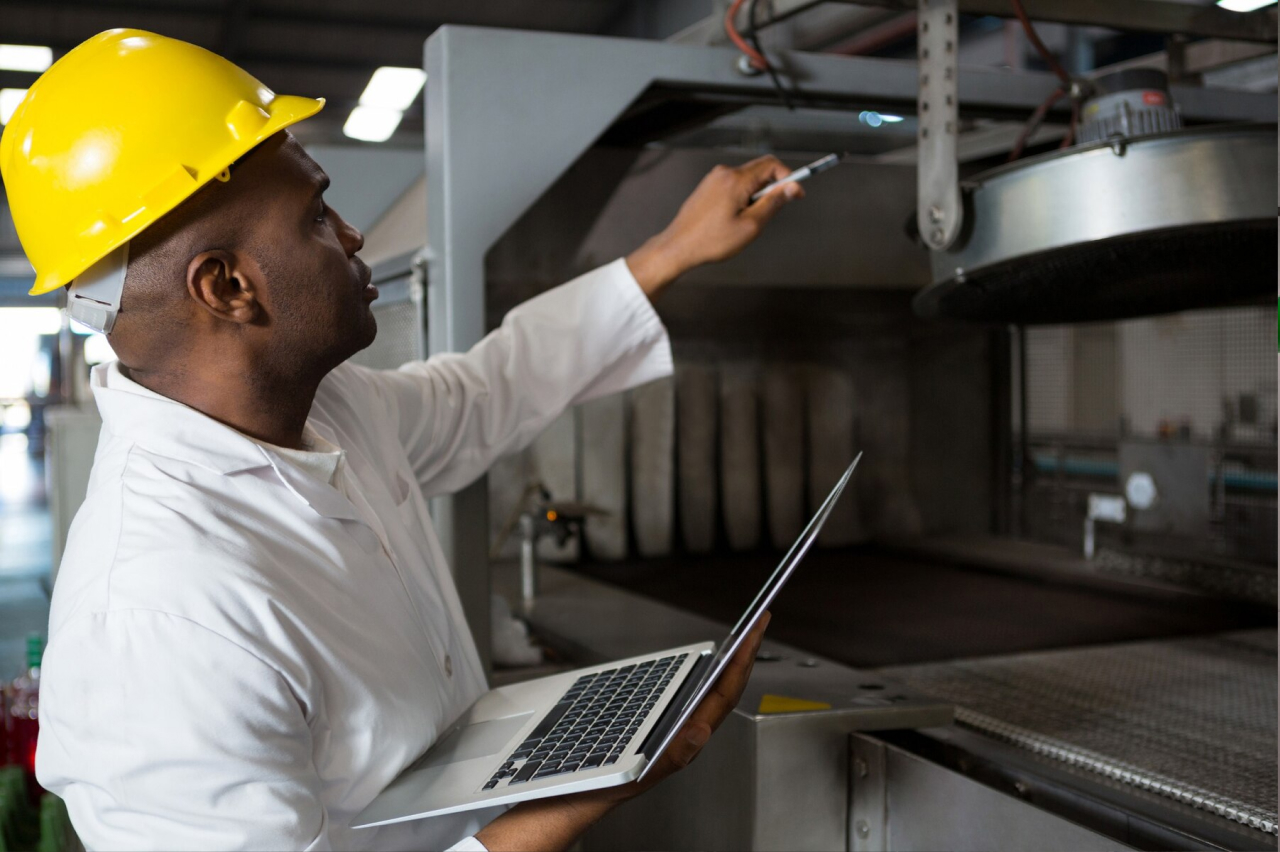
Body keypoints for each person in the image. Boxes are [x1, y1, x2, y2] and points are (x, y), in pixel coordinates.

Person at [1, 29, 802, 851]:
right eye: (316, 213)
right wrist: (611, 772)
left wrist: (672, 252)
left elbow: (483, 392)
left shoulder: (323, 412)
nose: (351, 235)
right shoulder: (159, 615)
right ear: (228, 286)